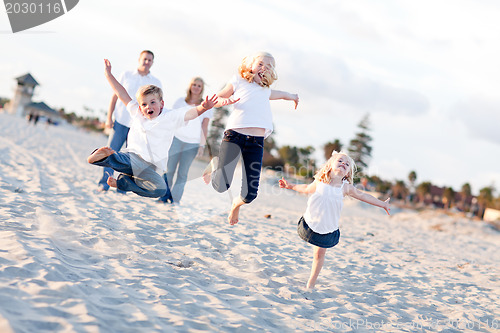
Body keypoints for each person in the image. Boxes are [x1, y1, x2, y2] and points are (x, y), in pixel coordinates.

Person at [87, 59, 234, 197]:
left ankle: (123, 183)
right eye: (144, 104)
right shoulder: (137, 113)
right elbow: (121, 93)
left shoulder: (169, 117)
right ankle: (105, 157)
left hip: (150, 168)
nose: (148, 107)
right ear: (140, 107)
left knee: (160, 189)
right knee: (123, 160)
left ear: (161, 104)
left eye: (152, 102)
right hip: (133, 157)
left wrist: (203, 107)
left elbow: (190, 114)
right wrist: (108, 74)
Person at [203, 51, 299, 225]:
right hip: (234, 136)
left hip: (256, 143)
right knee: (221, 186)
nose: (264, 68)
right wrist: (221, 102)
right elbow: (218, 98)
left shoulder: (266, 89)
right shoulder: (238, 81)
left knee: (250, 194)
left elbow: (282, 94)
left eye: (269, 66)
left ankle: (235, 205)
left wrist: (293, 96)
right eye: (261, 64)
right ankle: (216, 164)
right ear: (251, 65)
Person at [279, 151, 391, 289]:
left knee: (318, 255)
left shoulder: (345, 188)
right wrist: (290, 186)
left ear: (347, 173)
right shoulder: (320, 180)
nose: (343, 164)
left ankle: (311, 283)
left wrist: (383, 204)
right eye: (340, 161)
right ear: (330, 164)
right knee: (314, 250)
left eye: (347, 164)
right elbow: (306, 188)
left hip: (328, 229)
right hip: (310, 224)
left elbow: (364, 196)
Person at [97, 50, 162, 192]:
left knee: (130, 160)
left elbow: (157, 106)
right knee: (110, 153)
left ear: (152, 63)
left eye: (150, 60)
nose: (147, 62)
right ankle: (104, 184)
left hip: (138, 127)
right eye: (145, 59)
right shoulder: (126, 75)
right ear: (139, 59)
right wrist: (109, 118)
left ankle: (122, 187)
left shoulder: (155, 82)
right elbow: (115, 96)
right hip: (120, 121)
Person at [158, 77, 211, 204]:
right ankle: (163, 197)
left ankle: (175, 200)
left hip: (192, 144)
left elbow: (205, 127)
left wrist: (201, 146)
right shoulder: (180, 102)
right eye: (194, 84)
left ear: (202, 89)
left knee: (183, 173)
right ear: (190, 86)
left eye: (199, 85)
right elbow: (172, 119)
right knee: (169, 169)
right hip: (176, 139)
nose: (196, 87)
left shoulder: (206, 105)